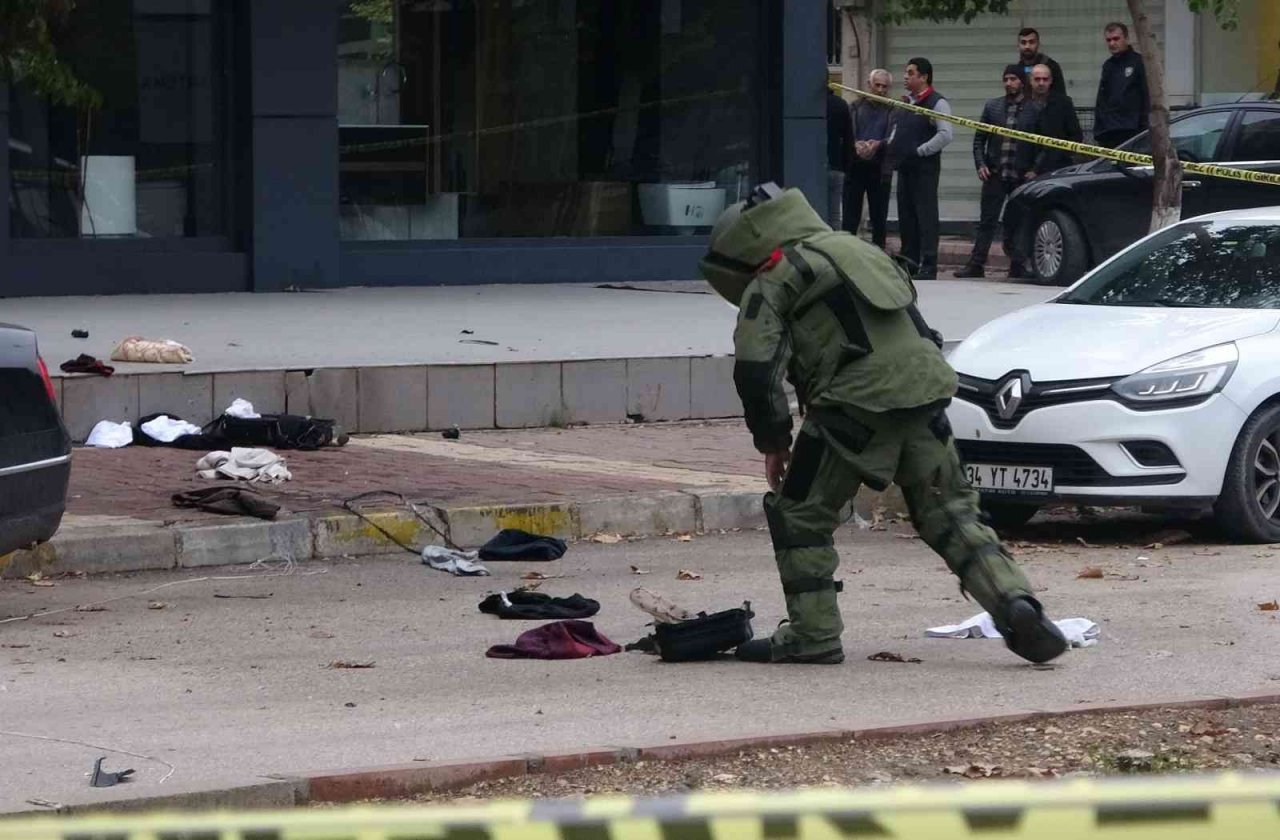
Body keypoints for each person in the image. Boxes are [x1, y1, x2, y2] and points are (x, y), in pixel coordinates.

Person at [697, 182, 1069, 667]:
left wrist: (773, 440)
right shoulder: (857, 248)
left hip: (849, 409)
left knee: (799, 517)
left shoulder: (778, 273)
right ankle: (1016, 604)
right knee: (952, 513)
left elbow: (755, 365)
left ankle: (813, 635)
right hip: (925, 398)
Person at [956, 65, 1041, 279]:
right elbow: (979, 140)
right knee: (987, 221)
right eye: (1006, 79)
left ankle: (1018, 264)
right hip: (995, 173)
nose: (1009, 83)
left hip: (1021, 176)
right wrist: (980, 164)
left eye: (1013, 79)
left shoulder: (1035, 109)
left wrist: (1035, 169)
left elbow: (1043, 145)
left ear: (1022, 82)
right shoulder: (993, 107)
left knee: (1018, 222)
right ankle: (976, 264)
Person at [886, 57, 953, 280]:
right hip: (905, 168)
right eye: (906, 72)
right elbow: (896, 131)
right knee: (907, 217)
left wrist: (921, 151)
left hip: (924, 169)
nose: (905, 76)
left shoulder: (936, 102)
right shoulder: (906, 102)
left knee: (925, 216)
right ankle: (910, 262)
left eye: (910, 73)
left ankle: (929, 263)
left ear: (923, 77)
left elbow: (945, 134)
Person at [844, 69, 893, 249]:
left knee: (879, 218)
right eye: (877, 85)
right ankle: (847, 252)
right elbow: (847, 133)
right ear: (868, 85)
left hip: (880, 169)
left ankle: (878, 254)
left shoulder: (892, 110)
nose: (880, 90)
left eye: (884, 87)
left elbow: (894, 137)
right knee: (850, 217)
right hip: (855, 167)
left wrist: (879, 144)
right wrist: (855, 144)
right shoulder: (855, 107)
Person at [1094, 21, 1149, 149]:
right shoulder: (1108, 65)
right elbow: (1101, 99)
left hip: (1132, 130)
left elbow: (1146, 96)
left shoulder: (1138, 62)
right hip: (1109, 131)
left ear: (1126, 38)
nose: (1112, 43)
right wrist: (1099, 129)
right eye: (1108, 40)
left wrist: (1144, 127)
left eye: (1116, 39)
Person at [1025, 63, 1083, 179]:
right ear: (1030, 80)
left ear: (1051, 80)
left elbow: (1076, 135)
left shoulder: (1063, 103)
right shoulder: (1023, 103)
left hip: (1057, 168)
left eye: (1045, 79)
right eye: (1037, 79)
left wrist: (1062, 157)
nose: (1041, 83)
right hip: (1026, 170)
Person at [827, 86, 854, 230]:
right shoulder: (840, 104)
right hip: (835, 166)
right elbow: (849, 138)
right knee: (834, 216)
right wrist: (846, 167)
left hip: (812, 169)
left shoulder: (806, 105)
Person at [1016, 27, 1066, 96]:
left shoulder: (1051, 66)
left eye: (1031, 42)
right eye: (1023, 43)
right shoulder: (1017, 68)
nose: (1027, 46)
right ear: (1018, 45)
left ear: (1038, 44)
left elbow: (1061, 96)